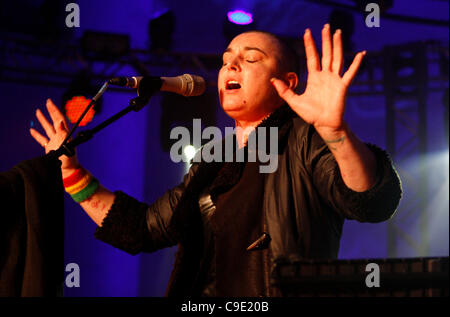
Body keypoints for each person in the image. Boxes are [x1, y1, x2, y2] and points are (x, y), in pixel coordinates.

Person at [29, 24, 402, 297]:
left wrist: (335, 133)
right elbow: (143, 228)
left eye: (250, 58)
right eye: (226, 61)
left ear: (286, 80)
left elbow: (372, 202)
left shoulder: (304, 138)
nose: (231, 66)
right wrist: (71, 172)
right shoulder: (213, 157)